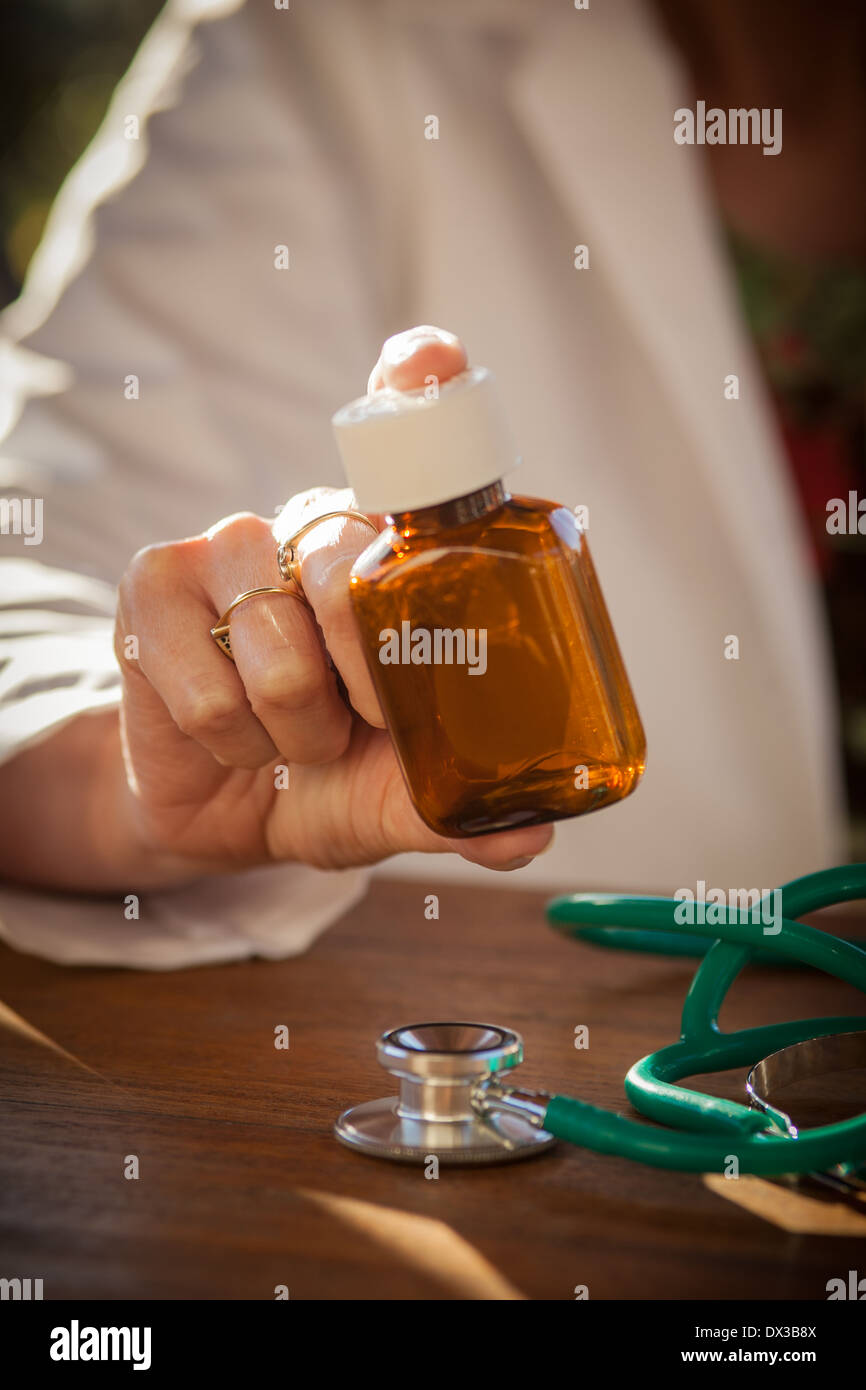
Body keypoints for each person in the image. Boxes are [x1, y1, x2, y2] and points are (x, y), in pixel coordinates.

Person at [0, 0, 860, 967]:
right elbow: (20, 607)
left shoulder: (540, 534)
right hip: (587, 1026)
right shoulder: (320, 36)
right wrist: (146, 787)